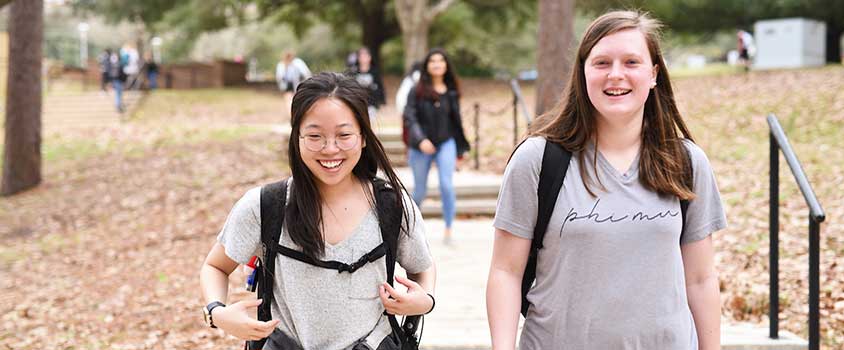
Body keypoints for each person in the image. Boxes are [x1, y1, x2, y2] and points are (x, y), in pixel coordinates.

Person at [486, 10, 726, 350]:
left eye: (631, 62)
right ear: (582, 73)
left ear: (654, 74)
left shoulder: (685, 162)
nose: (616, 75)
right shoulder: (538, 160)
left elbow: (701, 280)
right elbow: (505, 273)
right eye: (601, 63)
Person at [200, 72, 436, 350]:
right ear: (297, 137)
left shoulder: (392, 206)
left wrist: (425, 301)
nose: (330, 149)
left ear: (363, 137)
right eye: (315, 136)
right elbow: (215, 266)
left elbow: (423, 268)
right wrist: (217, 313)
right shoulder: (264, 206)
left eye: (344, 135)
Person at [403, 49, 470, 244]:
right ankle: (410, 230)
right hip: (420, 146)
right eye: (433, 61)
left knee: (446, 185)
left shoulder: (451, 91)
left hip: (446, 143)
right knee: (420, 191)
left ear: (446, 65)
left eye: (441, 61)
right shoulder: (416, 90)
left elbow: (455, 121)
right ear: (427, 66)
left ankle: (449, 228)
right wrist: (420, 140)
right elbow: (410, 117)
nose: (437, 64)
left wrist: (460, 147)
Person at [349, 47, 386, 121]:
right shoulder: (353, 73)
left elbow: (380, 87)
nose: (364, 58)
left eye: (366, 55)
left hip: (372, 104)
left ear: (370, 57)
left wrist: (382, 101)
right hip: (357, 104)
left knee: (370, 123)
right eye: (362, 56)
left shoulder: (375, 72)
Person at [275, 50, 312, 117]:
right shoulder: (297, 62)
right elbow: (306, 73)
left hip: (291, 84)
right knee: (294, 100)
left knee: (290, 101)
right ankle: (294, 115)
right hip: (294, 84)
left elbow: (279, 77)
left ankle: (293, 115)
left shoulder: (283, 64)